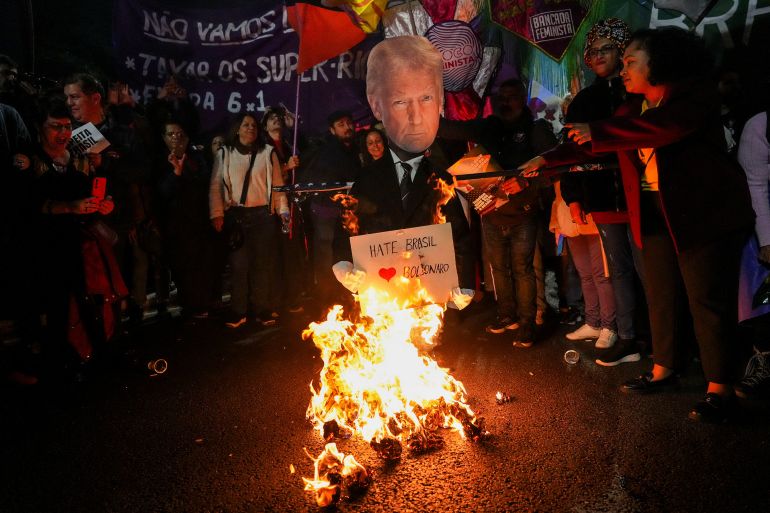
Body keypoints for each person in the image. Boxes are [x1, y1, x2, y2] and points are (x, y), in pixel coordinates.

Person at [517, 28, 754, 422]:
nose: (623, 70)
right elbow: (595, 140)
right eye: (623, 63)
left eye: (630, 62)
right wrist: (547, 159)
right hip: (651, 208)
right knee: (660, 293)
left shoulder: (693, 99)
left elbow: (660, 130)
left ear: (659, 64)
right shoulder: (632, 108)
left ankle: (720, 387)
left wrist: (602, 131)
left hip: (700, 212)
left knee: (706, 299)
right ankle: (665, 369)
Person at [333, 35, 474, 299]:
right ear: (377, 106)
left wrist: (465, 281)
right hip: (385, 300)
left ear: (441, 101)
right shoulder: (367, 180)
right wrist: (342, 263)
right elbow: (347, 227)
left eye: (426, 98)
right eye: (400, 102)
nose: (416, 116)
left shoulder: (440, 180)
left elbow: (459, 234)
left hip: (431, 299)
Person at [438, 78, 557, 347]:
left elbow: (553, 167)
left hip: (523, 213)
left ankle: (527, 324)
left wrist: (528, 182)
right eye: (501, 97)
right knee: (499, 269)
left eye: (511, 95)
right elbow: (451, 129)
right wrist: (422, 113)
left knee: (523, 270)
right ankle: (507, 315)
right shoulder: (489, 126)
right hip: (491, 213)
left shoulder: (536, 129)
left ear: (522, 98)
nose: (505, 102)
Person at [558, 18, 641, 362]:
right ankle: (629, 335)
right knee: (617, 269)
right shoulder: (584, 101)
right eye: (593, 51)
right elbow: (568, 155)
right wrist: (574, 197)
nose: (598, 56)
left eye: (607, 48)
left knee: (649, 267)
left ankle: (665, 337)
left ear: (623, 51)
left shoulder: (637, 94)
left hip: (642, 195)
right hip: (604, 199)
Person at [30, 95, 126, 376]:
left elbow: (91, 195)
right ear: (40, 127)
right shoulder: (30, 159)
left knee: (90, 297)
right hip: (44, 244)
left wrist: (103, 204)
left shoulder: (78, 159)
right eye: (54, 127)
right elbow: (26, 205)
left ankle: (99, 352)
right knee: (55, 303)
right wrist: (67, 207)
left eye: (66, 126)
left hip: (78, 242)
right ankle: (56, 361)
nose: (62, 133)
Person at [63, 73, 150, 324]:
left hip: (119, 222)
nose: (70, 103)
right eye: (67, 98)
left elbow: (144, 171)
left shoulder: (122, 133)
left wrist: (107, 164)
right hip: (85, 223)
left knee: (122, 280)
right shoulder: (69, 135)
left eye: (75, 96)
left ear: (95, 98)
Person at [209, 113, 289, 328]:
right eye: (245, 125)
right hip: (237, 217)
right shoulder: (225, 154)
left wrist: (284, 212)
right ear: (237, 129)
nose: (250, 128)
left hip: (264, 216)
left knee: (263, 265)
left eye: (253, 125)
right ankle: (238, 311)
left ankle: (262, 308)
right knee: (239, 265)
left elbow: (278, 186)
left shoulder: (267, 152)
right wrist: (217, 213)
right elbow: (216, 186)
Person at [154, 120, 214, 319]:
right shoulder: (159, 161)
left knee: (200, 265)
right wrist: (175, 174)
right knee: (180, 266)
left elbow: (206, 183)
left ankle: (201, 304)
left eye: (180, 134)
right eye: (171, 134)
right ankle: (188, 304)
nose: (176, 138)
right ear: (163, 138)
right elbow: (161, 192)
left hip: (197, 221)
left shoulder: (197, 158)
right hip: (173, 224)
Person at [303, 110, 361, 307]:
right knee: (325, 253)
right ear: (332, 130)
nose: (346, 127)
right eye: (341, 125)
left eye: (348, 123)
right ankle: (325, 296)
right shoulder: (325, 151)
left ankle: (346, 293)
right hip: (326, 211)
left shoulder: (357, 148)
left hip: (348, 213)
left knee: (346, 252)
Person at [736, 108, 770, 400]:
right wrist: (767, 240)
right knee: (762, 299)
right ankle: (765, 361)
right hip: (763, 227)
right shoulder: (760, 125)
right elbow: (756, 186)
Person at [262, 105, 307, 314]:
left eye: (278, 118)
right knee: (275, 253)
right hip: (272, 206)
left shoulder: (289, 144)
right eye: (271, 118)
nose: (276, 121)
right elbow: (263, 175)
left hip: (290, 203)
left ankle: (293, 295)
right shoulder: (263, 147)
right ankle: (276, 298)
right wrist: (286, 167)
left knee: (291, 250)